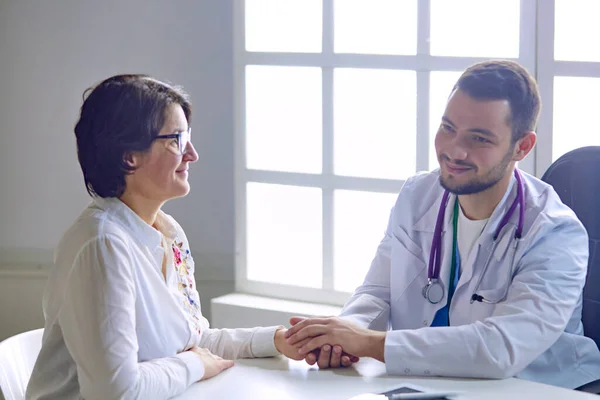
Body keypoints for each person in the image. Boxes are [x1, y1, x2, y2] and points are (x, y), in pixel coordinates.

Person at [285, 60, 600, 389]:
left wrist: (366, 343)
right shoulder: (417, 195)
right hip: (440, 382)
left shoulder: (555, 233)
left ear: (522, 146)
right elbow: (377, 294)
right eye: (448, 128)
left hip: (541, 389)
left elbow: (500, 348)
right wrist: (340, 336)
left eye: (479, 139)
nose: (455, 151)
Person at [26, 75, 306, 400]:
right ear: (128, 156)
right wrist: (193, 365)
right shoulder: (101, 245)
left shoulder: (168, 232)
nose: (192, 154)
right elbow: (115, 391)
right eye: (176, 139)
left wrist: (278, 341)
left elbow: (193, 341)